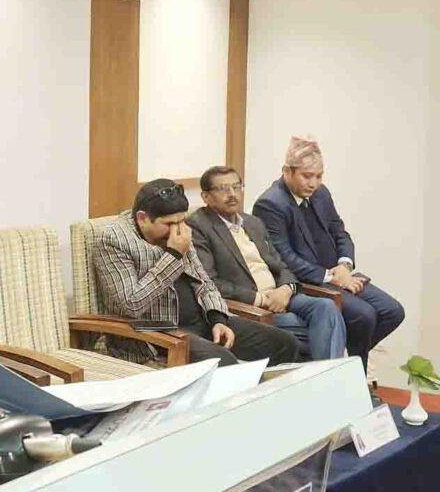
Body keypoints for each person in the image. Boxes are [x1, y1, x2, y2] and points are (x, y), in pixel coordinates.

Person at [94, 179, 298, 366]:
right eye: (169, 224)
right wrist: (174, 254)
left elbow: (204, 281)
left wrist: (218, 319)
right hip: (158, 329)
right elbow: (132, 304)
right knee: (223, 362)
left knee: (283, 343)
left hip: (202, 320)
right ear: (142, 218)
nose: (178, 230)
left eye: (181, 221)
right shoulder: (114, 240)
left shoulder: (181, 230)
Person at [253, 136, 404, 371]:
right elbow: (283, 258)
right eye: (307, 176)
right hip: (308, 282)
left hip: (338, 276)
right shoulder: (270, 204)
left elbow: (340, 232)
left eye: (319, 176)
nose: (313, 183)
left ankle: (347, 365)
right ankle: (353, 373)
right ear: (287, 171)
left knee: (392, 311)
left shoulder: (321, 194)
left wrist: (345, 265)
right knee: (364, 315)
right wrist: (332, 277)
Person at [188, 166, 347, 360]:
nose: (232, 194)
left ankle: (324, 374)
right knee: (328, 328)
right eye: (223, 189)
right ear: (206, 196)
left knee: (326, 308)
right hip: (251, 307)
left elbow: (280, 265)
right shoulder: (198, 226)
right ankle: (328, 376)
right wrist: (261, 299)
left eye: (236, 187)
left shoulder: (253, 222)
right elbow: (210, 282)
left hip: (281, 296)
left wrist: (286, 289)